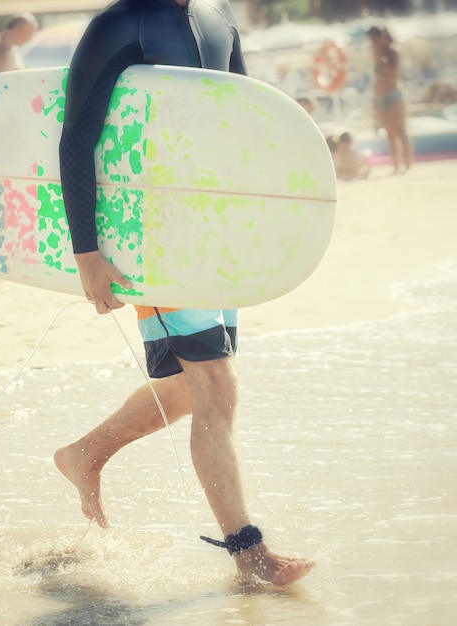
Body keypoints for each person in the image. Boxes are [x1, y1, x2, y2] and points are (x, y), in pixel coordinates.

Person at [54, 0, 315, 586]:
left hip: (215, 232)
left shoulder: (218, 16)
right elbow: (77, 140)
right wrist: (87, 252)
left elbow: (244, 120)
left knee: (184, 390)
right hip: (156, 237)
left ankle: (84, 455)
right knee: (216, 387)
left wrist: (264, 221)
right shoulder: (120, 24)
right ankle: (249, 553)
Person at [367, 26, 412, 174]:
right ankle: (396, 165)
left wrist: (380, 56)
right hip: (381, 98)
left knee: (401, 132)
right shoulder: (375, 53)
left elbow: (392, 74)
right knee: (390, 134)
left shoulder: (393, 51)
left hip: (394, 96)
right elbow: (378, 77)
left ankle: (408, 165)